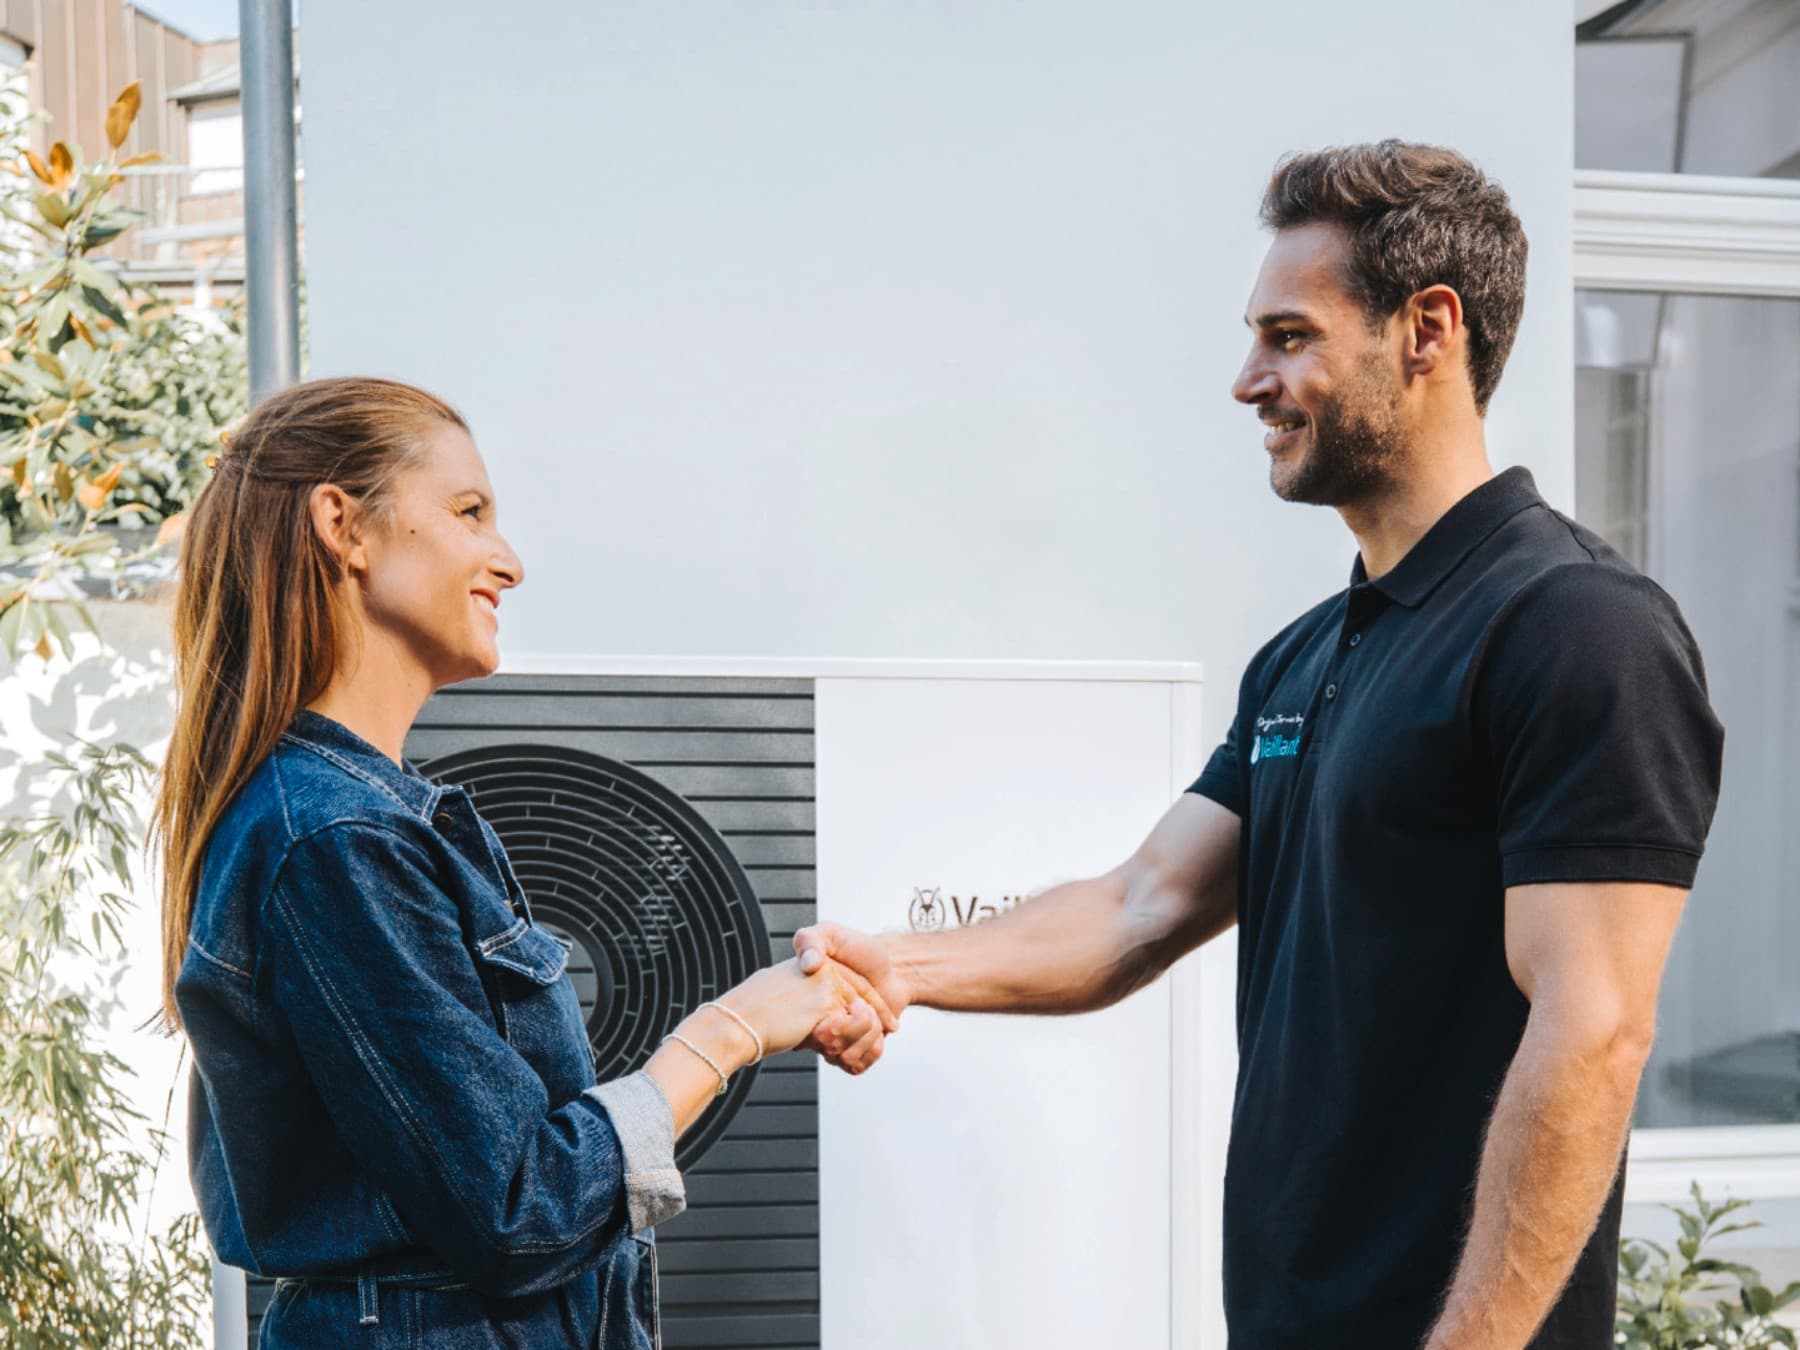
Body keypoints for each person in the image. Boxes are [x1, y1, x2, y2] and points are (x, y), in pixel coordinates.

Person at [797, 141, 1725, 1349]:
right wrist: (901, 966)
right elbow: (1141, 904)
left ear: (1427, 331)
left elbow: (1594, 1032)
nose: (1249, 380)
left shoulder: (1575, 628)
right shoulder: (1303, 658)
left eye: (1289, 336)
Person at [153, 377, 884, 1348]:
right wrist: (733, 1029)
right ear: (345, 526)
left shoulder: (372, 819)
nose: (510, 561)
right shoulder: (335, 837)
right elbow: (518, 1213)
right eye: (469, 513)